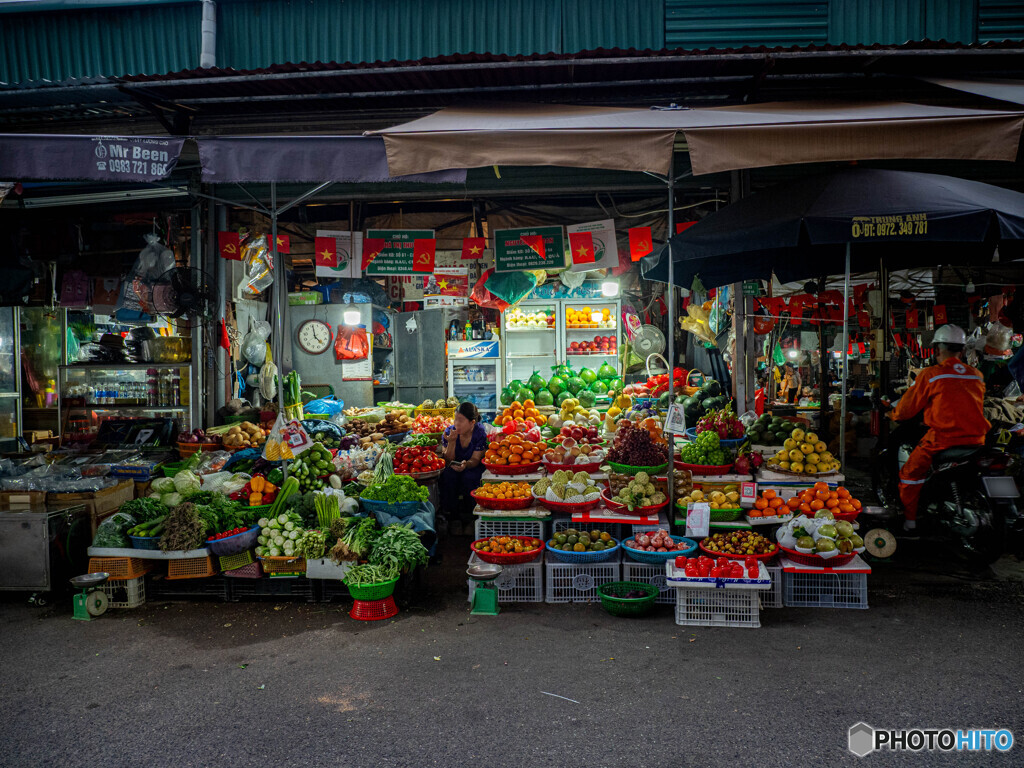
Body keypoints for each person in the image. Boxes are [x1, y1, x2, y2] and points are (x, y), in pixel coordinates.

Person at [891, 324, 990, 531]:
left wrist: (894, 414)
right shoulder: (976, 375)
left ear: (936, 349)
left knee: (910, 474)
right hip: (978, 439)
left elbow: (905, 411)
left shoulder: (931, 375)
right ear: (962, 350)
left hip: (944, 439)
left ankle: (910, 521)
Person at [437, 402, 488, 536]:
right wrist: (452, 442)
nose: (456, 423)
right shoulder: (449, 432)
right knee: (447, 476)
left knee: (470, 478)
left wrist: (466, 464)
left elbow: (476, 460)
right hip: (453, 466)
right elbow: (448, 460)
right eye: (455, 419)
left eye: (460, 420)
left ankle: (472, 518)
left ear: (472, 422)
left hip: (471, 466)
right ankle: (453, 518)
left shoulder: (479, 433)